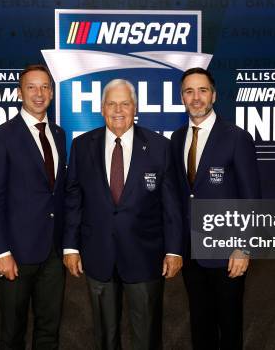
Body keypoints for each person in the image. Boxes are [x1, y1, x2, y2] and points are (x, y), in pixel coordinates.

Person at [63, 79, 183, 350]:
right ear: (102, 109)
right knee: (105, 336)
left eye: (125, 103)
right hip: (98, 254)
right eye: (112, 104)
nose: (119, 110)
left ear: (135, 108)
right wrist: (70, 246)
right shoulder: (82, 146)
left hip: (145, 255)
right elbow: (74, 198)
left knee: (147, 334)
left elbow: (171, 204)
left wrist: (174, 250)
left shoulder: (160, 147)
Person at [170, 67, 261, 349]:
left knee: (229, 325)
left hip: (227, 253)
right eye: (189, 91)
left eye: (202, 90)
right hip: (192, 253)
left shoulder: (236, 137)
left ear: (214, 95)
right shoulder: (176, 139)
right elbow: (181, 196)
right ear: (182, 97)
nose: (196, 97)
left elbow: (251, 198)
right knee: (200, 323)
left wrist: (243, 247)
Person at [0, 64, 66, 350]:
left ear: (52, 93)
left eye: (44, 87)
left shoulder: (59, 134)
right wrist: (1, 252)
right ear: (20, 93)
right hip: (16, 253)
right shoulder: (2, 137)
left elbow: (58, 193)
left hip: (53, 253)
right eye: (31, 87)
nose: (39, 94)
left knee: (49, 329)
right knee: (13, 332)